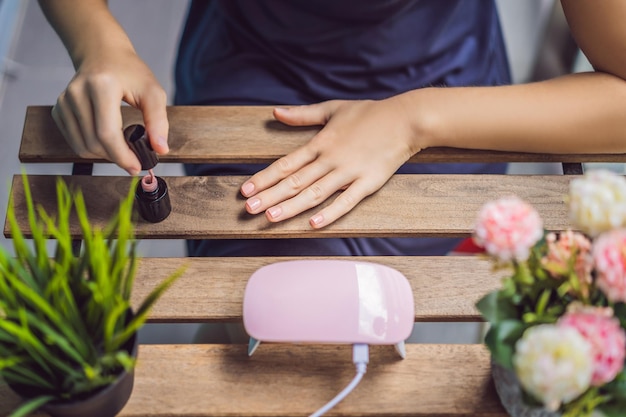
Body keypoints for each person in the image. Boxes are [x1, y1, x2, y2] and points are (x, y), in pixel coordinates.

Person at [38, 0, 626, 258]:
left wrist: (412, 117)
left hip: (445, 93)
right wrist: (101, 45)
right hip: (250, 75)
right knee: (261, 295)